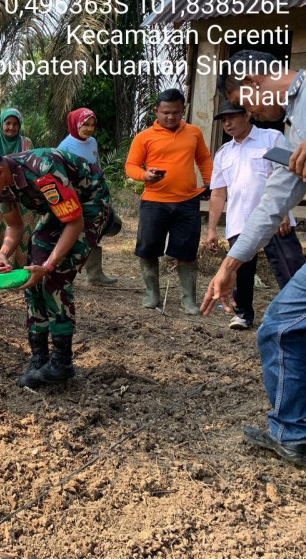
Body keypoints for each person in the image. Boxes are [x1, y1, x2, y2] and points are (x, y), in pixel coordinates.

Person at [201, 50, 306, 467]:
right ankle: (291, 433)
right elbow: (274, 200)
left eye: (242, 104)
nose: (250, 114)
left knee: (280, 326)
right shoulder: (291, 127)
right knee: (281, 326)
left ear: (252, 82)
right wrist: (230, 265)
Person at [0, 142, 115, 387]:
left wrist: (49, 266)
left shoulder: (43, 171)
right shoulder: (1, 184)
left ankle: (61, 363)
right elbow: (14, 226)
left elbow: (74, 223)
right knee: (32, 275)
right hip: (59, 209)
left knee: (55, 276)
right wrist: (3, 254)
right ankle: (39, 357)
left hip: (89, 204)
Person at [205, 100, 305, 330]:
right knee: (240, 272)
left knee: (290, 267)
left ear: (247, 115)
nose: (227, 124)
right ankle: (242, 315)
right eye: (223, 120)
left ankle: (300, 314)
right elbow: (218, 194)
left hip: (274, 219)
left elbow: (287, 177)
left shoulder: (271, 138)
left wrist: (283, 213)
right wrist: (211, 229)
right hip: (239, 221)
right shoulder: (223, 153)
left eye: (232, 117)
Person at [125, 88, 213, 315]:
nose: (171, 117)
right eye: (166, 112)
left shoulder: (194, 133)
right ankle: (151, 293)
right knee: (148, 248)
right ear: (156, 111)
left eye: (176, 112)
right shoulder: (144, 137)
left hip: (187, 201)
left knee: (187, 251)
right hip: (154, 202)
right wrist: (145, 175)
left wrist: (209, 182)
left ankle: (189, 300)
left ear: (183, 110)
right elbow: (130, 166)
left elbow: (203, 158)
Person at [58, 108, 118, 285]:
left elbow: (96, 165)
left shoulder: (92, 142)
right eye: (85, 124)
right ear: (75, 124)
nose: (89, 129)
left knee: (94, 231)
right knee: (72, 235)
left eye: (92, 125)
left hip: (94, 195)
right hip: (75, 197)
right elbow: (60, 176)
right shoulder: (64, 147)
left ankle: (95, 274)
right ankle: (63, 276)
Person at [0, 108, 38, 269]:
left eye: (15, 124)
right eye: (8, 123)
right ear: (1, 124)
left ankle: (22, 272)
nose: (11, 127)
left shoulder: (26, 143)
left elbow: (32, 169)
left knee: (24, 235)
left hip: (23, 199)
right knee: (0, 235)